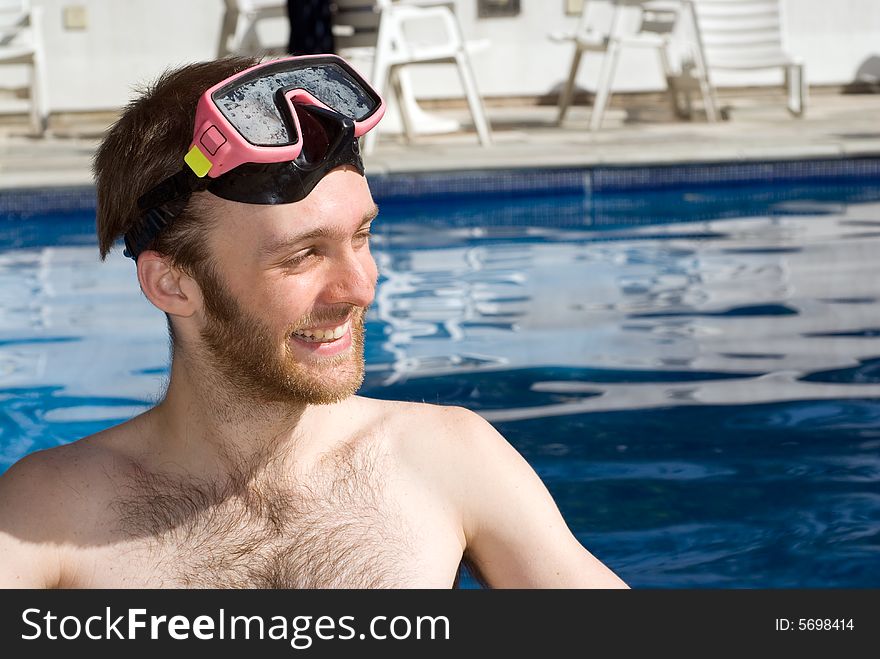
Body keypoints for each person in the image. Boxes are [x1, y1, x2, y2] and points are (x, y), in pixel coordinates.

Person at [0, 55, 629, 589]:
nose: (360, 286)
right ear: (172, 283)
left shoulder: (445, 459)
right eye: (301, 255)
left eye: (361, 235)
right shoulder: (48, 514)